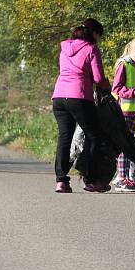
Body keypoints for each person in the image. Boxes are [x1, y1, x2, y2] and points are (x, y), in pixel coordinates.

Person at [51, 18, 112, 193]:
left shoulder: (64, 49)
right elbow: (99, 79)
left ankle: (61, 181)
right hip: (79, 97)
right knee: (94, 137)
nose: (98, 40)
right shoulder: (91, 49)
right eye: (98, 36)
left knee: (64, 137)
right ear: (93, 33)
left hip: (59, 96)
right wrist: (108, 88)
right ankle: (91, 180)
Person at [111, 37, 135, 191]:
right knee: (124, 145)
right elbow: (116, 88)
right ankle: (121, 178)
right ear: (130, 50)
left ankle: (128, 176)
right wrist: (133, 92)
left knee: (131, 146)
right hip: (125, 111)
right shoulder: (124, 65)